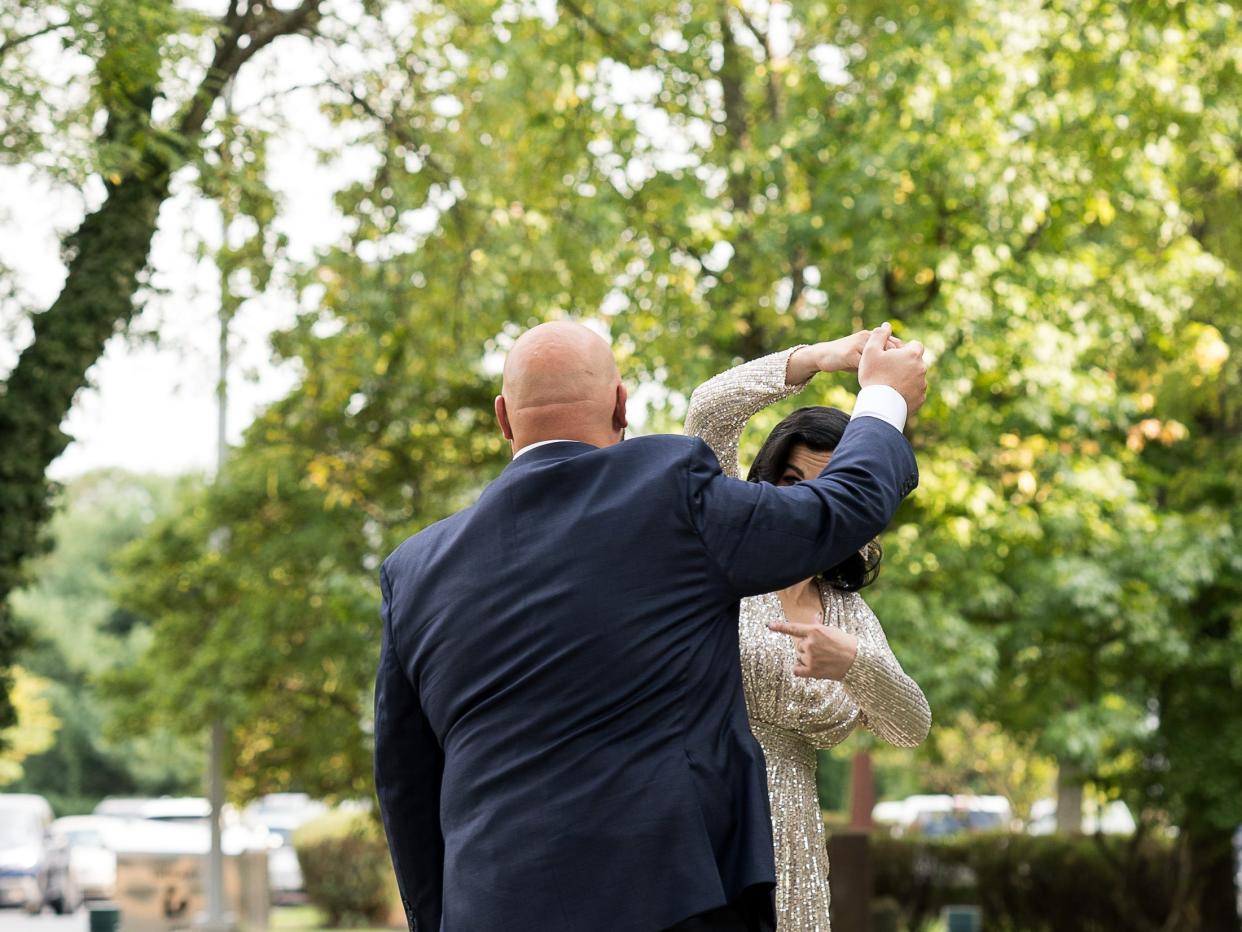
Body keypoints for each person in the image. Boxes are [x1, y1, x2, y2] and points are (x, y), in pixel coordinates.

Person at [373, 321, 926, 932]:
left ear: (503, 418)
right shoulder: (671, 496)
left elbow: (406, 787)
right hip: (676, 902)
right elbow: (841, 507)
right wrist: (884, 395)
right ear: (620, 405)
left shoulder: (413, 571)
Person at [685, 337, 932, 931]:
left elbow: (912, 725)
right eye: (790, 479)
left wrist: (855, 664)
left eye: (823, 485)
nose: (805, 501)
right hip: (703, 818)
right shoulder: (722, 564)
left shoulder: (846, 614)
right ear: (765, 478)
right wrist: (821, 359)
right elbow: (708, 410)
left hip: (794, 840)